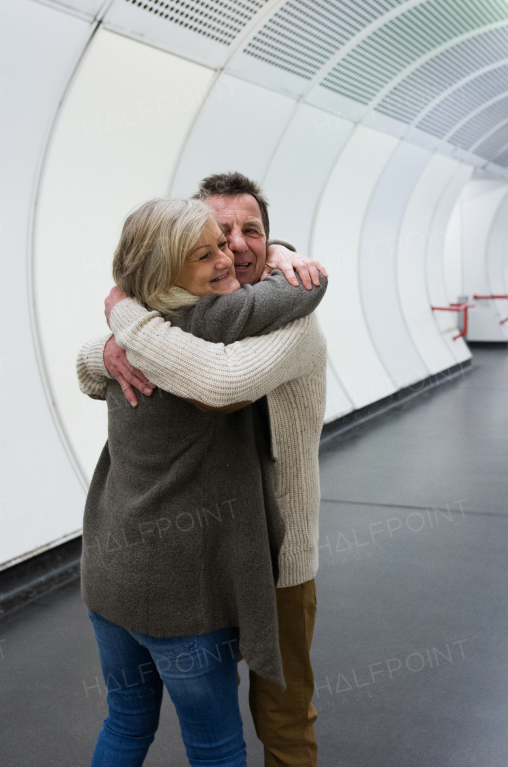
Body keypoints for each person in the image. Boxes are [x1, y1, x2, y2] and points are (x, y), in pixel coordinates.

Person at [75, 198, 327, 767]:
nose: (230, 253)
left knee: (127, 722)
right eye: (211, 244)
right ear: (166, 265)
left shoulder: (150, 322)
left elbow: (226, 360)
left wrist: (124, 317)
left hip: (113, 572)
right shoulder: (213, 319)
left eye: (247, 235)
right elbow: (219, 379)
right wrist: (116, 337)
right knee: (217, 744)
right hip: (185, 588)